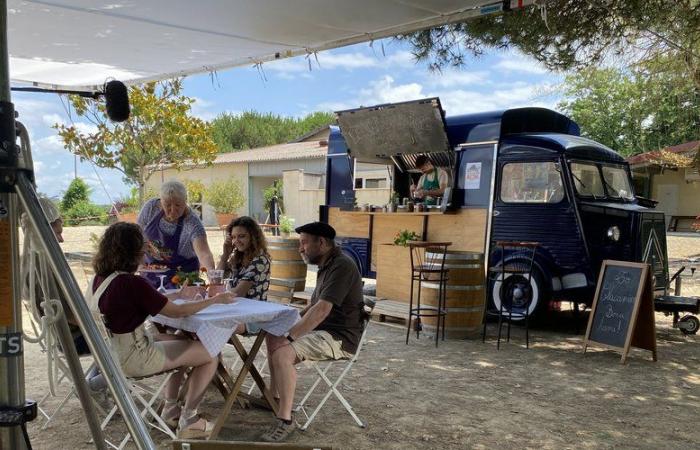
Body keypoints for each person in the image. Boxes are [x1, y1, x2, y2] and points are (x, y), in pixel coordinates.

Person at [85, 222, 235, 438]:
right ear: (136, 251)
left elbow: (153, 302)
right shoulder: (131, 283)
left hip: (110, 356)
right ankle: (189, 420)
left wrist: (179, 296)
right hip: (135, 358)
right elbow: (176, 313)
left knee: (180, 337)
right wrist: (215, 300)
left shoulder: (99, 280)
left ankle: (171, 408)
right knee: (210, 354)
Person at [261, 222, 365, 442]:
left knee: (282, 352)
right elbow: (314, 306)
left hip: (339, 338)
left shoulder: (342, 266)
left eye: (304, 243)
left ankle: (285, 420)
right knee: (273, 335)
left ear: (322, 243)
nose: (300, 248)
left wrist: (291, 336)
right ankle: (274, 396)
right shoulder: (328, 264)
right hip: (324, 330)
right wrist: (287, 324)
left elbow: (322, 310)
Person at [138, 180, 215, 289]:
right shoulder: (151, 208)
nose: (173, 210)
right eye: (168, 205)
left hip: (182, 278)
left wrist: (214, 278)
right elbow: (137, 236)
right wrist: (139, 263)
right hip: (151, 273)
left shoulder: (192, 222)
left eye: (178, 205)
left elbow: (204, 253)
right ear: (161, 202)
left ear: (185, 201)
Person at [216, 216, 271, 334]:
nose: (236, 241)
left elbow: (237, 294)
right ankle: (210, 352)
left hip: (253, 317)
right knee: (200, 324)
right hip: (234, 310)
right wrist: (225, 254)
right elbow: (215, 280)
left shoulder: (260, 260)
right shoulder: (238, 257)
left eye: (242, 236)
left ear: (253, 237)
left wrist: (216, 298)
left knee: (212, 324)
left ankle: (210, 353)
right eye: (234, 237)